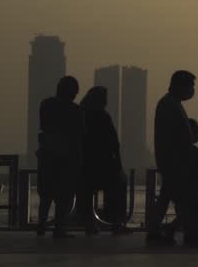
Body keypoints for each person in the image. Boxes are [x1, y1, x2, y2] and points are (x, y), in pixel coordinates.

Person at [148, 70, 198, 247]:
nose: (192, 90)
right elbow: (171, 137)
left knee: (168, 197)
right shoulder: (168, 105)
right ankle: (188, 232)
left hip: (176, 160)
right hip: (174, 161)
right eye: (190, 86)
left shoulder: (173, 104)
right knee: (182, 199)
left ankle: (158, 230)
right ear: (180, 86)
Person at [36, 76, 84, 238]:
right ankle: (59, 227)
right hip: (66, 157)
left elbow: (43, 126)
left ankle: (41, 224)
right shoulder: (75, 110)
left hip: (47, 154)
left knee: (46, 194)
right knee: (63, 195)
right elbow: (79, 135)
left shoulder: (46, 104)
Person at [79, 86, 129, 235]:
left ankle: (90, 224)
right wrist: (118, 164)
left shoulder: (82, 114)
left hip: (87, 162)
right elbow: (114, 142)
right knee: (116, 189)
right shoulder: (102, 116)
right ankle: (115, 223)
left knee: (87, 194)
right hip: (104, 163)